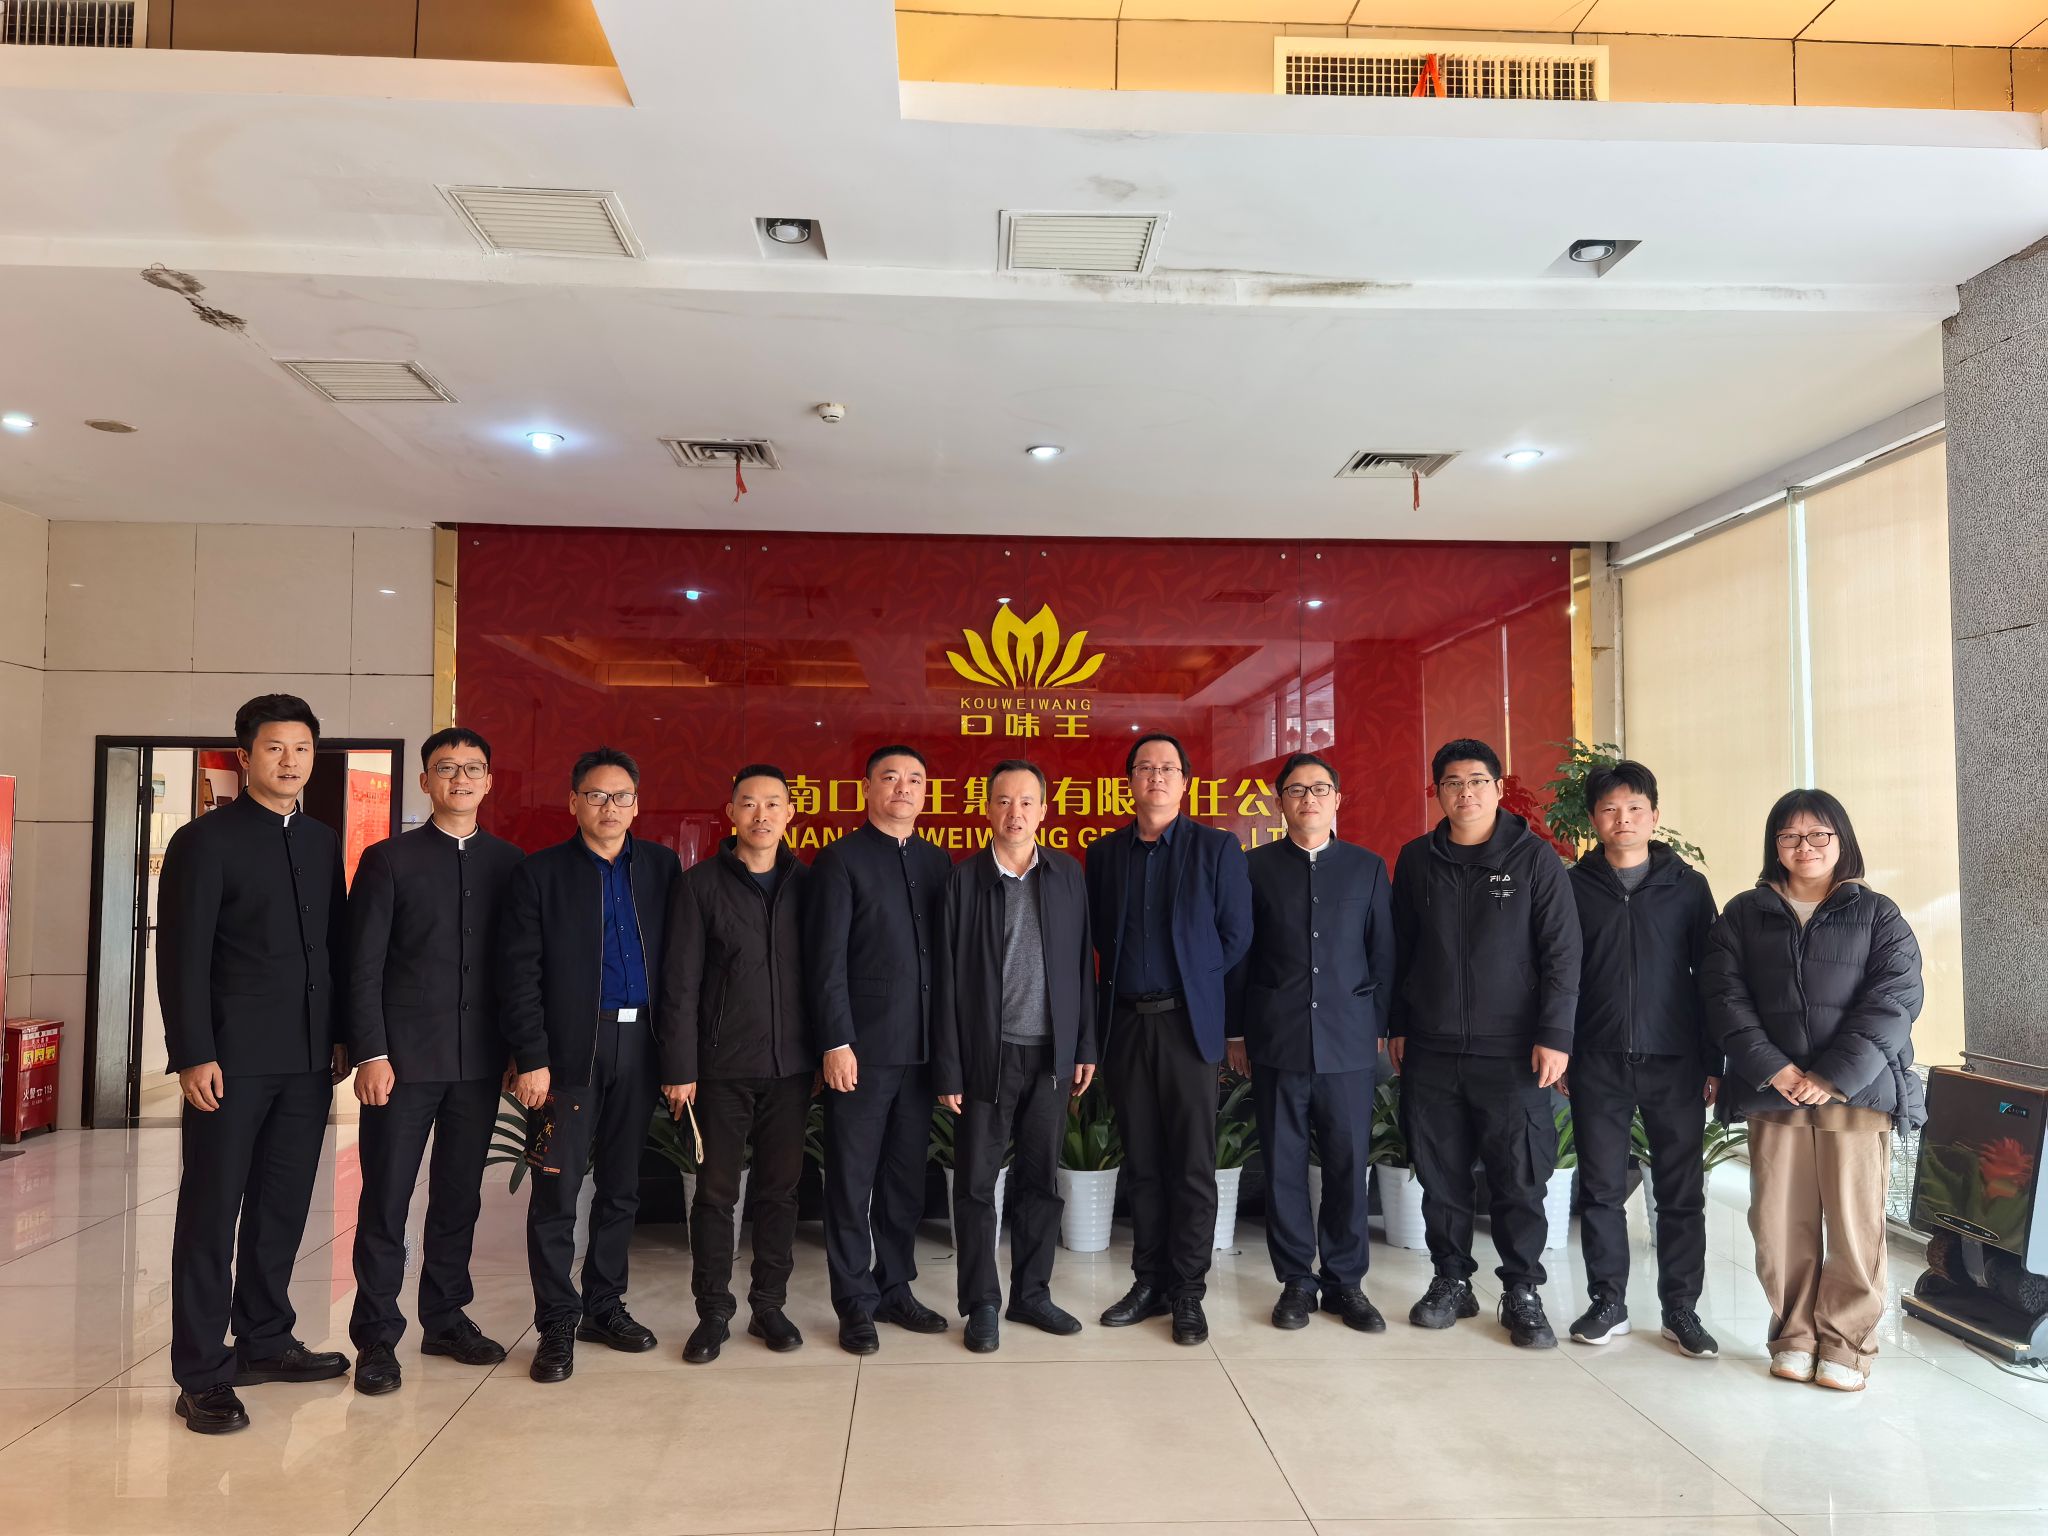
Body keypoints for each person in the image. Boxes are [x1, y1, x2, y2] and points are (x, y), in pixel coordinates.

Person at [158, 694, 351, 1434]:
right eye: (275, 748)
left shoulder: (321, 840)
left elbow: (333, 948)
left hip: (307, 1060)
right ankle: (202, 1371)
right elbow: (181, 956)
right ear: (245, 757)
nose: (289, 761)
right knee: (211, 1212)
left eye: (301, 748)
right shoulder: (204, 842)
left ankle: (266, 1339)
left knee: (283, 1206)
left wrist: (339, 1035)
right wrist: (193, 1053)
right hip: (230, 1062)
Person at [1702, 789, 1924, 1392]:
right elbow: (1722, 997)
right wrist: (1775, 1069)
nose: (1805, 847)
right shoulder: (1743, 914)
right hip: (1774, 1092)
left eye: (1819, 834)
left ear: (1841, 840)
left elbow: (1895, 1000)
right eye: (1791, 836)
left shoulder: (1878, 914)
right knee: (1778, 1222)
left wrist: (1830, 1077)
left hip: (1855, 1093)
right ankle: (1795, 1335)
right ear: (1774, 845)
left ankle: (1846, 1344)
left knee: (1854, 1223)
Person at [346, 727, 526, 1393]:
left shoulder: (511, 864)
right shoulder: (388, 860)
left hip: (479, 1064)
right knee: (386, 1200)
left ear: (489, 781)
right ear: (424, 781)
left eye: (472, 768)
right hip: (401, 1065)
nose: (460, 779)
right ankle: (376, 1336)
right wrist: (371, 1052)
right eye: (446, 768)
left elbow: (519, 969)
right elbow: (361, 967)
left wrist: (518, 1051)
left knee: (457, 1198)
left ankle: (446, 1318)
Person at [1389, 738, 1581, 1349]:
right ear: (1438, 793)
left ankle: (1521, 1289)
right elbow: (1399, 948)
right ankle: (1451, 1279)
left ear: (1499, 788)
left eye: (1476, 781)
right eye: (1451, 782)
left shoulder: (1535, 859)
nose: (1464, 792)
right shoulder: (1416, 859)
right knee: (1439, 1174)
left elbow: (1562, 954)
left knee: (1518, 1176)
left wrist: (1555, 1035)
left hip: (1514, 1050)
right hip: (1432, 1046)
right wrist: (1398, 1025)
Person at [499, 746, 680, 1383]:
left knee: (623, 1188)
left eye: (621, 796)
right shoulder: (541, 873)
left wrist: (678, 1057)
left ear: (637, 804)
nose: (610, 807)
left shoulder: (660, 868)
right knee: (556, 1191)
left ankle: (605, 1306)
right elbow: (519, 974)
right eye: (597, 795)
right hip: (570, 1051)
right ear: (574, 801)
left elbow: (681, 967)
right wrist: (532, 1057)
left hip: (642, 1046)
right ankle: (556, 1322)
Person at [1085, 731, 1253, 1346]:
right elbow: (1098, 937)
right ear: (1128, 781)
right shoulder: (1104, 854)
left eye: (1167, 768)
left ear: (1185, 782)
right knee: (1143, 1160)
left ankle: (1188, 1291)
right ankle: (1148, 1282)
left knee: (1191, 1164)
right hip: (1126, 1024)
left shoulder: (1216, 848)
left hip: (1186, 1024)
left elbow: (1236, 935)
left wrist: (1196, 981)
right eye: (1144, 767)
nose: (1155, 777)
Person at [1226, 751, 1394, 1333]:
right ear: (1280, 802)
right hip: (1278, 1039)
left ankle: (1346, 1282)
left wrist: (1379, 1027)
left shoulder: (1367, 867)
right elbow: (1239, 957)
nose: (1309, 799)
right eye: (1296, 790)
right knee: (1284, 1165)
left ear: (1337, 799)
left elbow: (1383, 953)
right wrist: (1236, 1031)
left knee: (1347, 1163)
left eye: (1320, 789)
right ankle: (1296, 1280)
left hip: (1349, 1042)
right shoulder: (1253, 868)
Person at [932, 759, 1097, 1352]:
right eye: (1003, 801)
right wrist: (949, 1065)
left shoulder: (1066, 874)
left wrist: (1084, 1045)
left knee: (1039, 1182)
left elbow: (1082, 964)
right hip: (987, 1058)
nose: (1015, 812)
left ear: (1044, 810)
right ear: (987, 810)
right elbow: (945, 980)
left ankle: (1032, 1294)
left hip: (1051, 1057)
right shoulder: (964, 880)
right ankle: (981, 1304)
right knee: (977, 1186)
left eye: (1027, 801)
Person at [1563, 759, 1721, 1359]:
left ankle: (1681, 1309)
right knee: (1601, 1190)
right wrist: (1562, 1049)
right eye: (1609, 809)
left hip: (1675, 1058)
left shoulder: (1688, 887)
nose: (1622, 819)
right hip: (1596, 1056)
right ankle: (1608, 1302)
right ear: (1594, 819)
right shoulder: (1572, 887)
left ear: (1655, 816)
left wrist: (1714, 1060)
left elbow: (1713, 978)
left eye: (1634, 808)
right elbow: (1557, 975)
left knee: (1680, 1192)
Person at [658, 765, 815, 1364]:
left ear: (790, 813)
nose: (761, 815)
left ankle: (769, 1305)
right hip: (720, 1068)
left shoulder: (809, 884)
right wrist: (680, 1067)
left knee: (780, 1193)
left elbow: (827, 976)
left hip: (791, 1068)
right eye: (749, 803)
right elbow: (680, 986)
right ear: (731, 813)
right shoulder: (699, 886)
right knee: (715, 1195)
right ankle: (713, 1312)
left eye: (773, 803)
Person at [806, 744, 954, 1354]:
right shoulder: (840, 860)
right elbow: (826, 962)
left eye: (914, 779)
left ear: (926, 792)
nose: (903, 787)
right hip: (862, 1052)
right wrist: (836, 1041)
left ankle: (896, 1287)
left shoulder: (938, 862)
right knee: (851, 1179)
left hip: (921, 1052)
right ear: (867, 787)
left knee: (904, 1180)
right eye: (890, 777)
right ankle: (854, 1301)